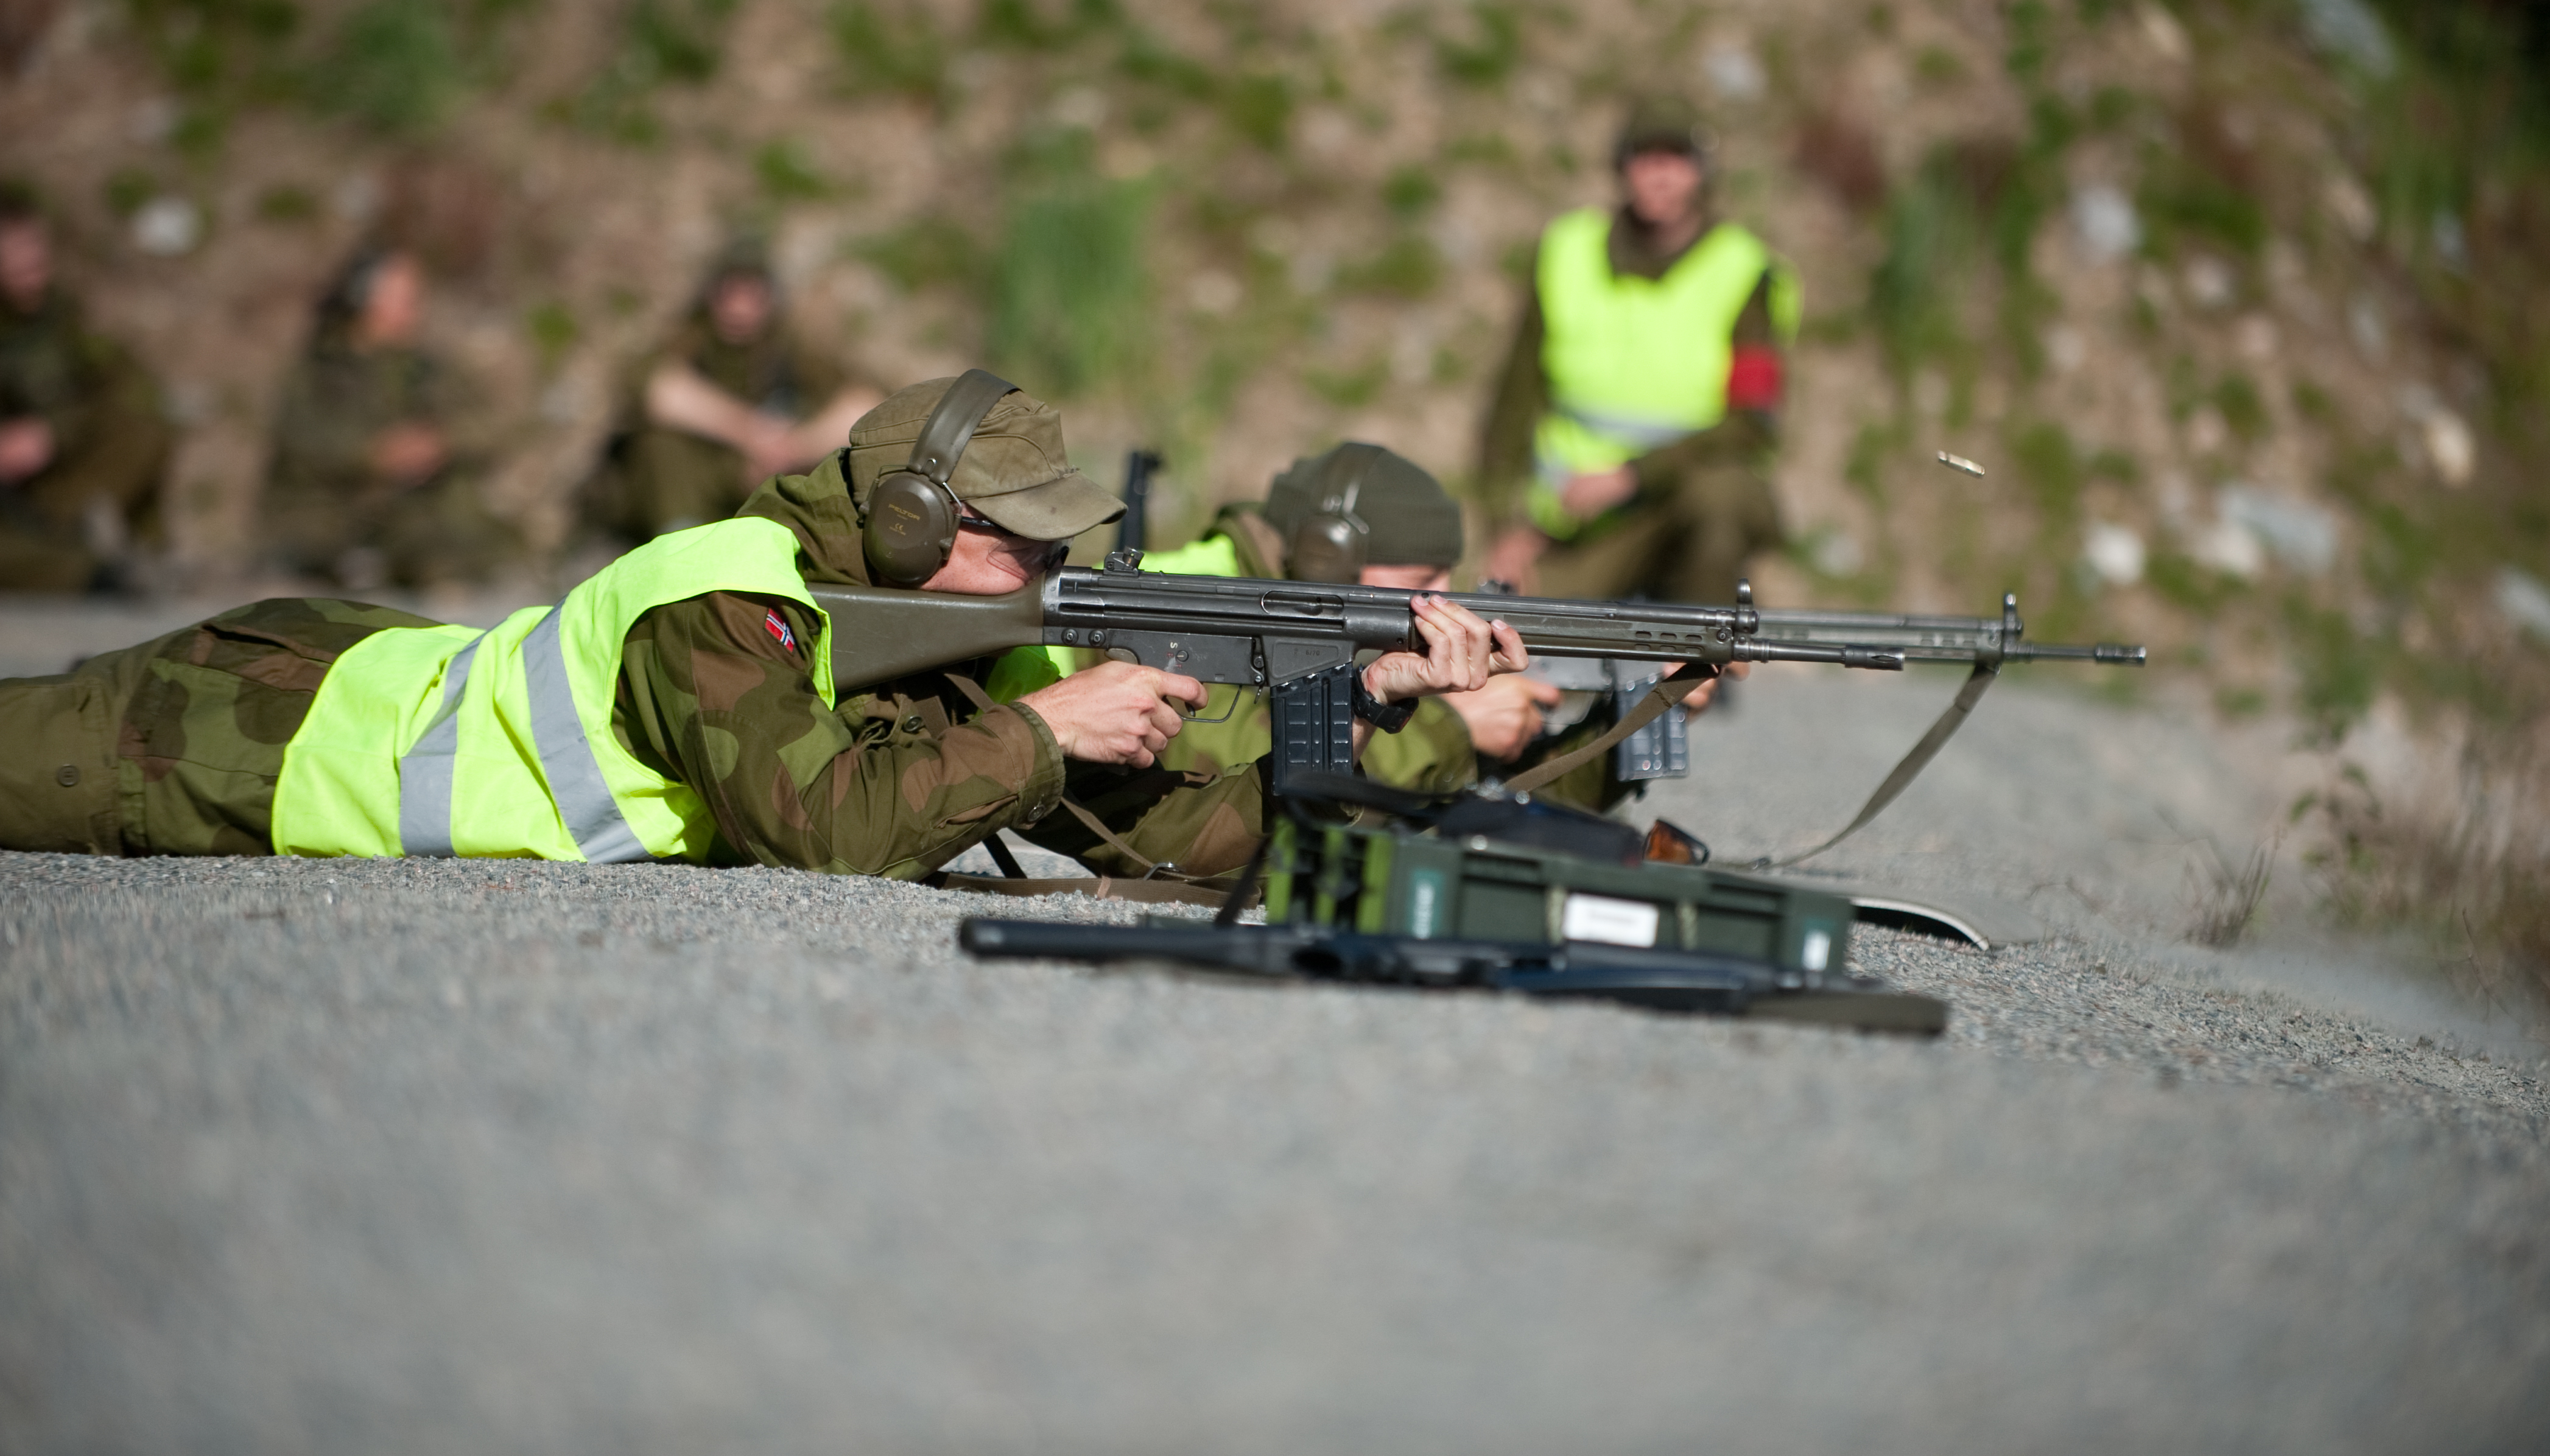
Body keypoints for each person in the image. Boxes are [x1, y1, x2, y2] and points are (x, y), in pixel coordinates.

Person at [0, 374, 1526, 882]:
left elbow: (1179, 843)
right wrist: (1042, 730)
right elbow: (835, 830)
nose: (1048, 577)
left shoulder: (957, 625)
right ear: (921, 528)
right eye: (1025, 546)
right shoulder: (719, 596)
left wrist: (1379, 698)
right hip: (238, 733)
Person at [989, 441, 1716, 813]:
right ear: (1328, 557)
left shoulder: (1301, 601)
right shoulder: (1198, 592)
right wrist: (1446, 725)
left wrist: (1640, 711)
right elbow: (1238, 769)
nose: (1443, 603)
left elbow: (1481, 816)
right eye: (1420, 585)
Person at [1480, 98, 1800, 604]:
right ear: (1621, 167)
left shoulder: (1742, 271)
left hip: (1682, 505)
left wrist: (1632, 476)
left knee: (1723, 500)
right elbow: (1515, 399)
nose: (1661, 177)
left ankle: (1703, 665)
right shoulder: (1568, 251)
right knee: (1499, 637)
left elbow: (1751, 423)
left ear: (1701, 172)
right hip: (1576, 520)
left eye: (1676, 160)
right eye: (1646, 158)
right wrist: (1503, 527)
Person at [265, 247, 521, 589]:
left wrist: (438, 443)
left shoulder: (424, 369)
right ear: (364, 300)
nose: (414, 310)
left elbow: (489, 427)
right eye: (402, 298)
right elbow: (302, 439)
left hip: (409, 516)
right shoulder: (322, 369)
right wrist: (374, 454)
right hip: (333, 515)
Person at [589, 244, 878, 542]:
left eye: (752, 294)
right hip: (701, 479)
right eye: (731, 293)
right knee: (659, 444)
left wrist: (794, 447)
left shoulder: (789, 349)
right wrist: (750, 433)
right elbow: (658, 390)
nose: (740, 306)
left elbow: (864, 403)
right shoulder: (693, 340)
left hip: (772, 475)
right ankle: (680, 546)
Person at [0, 184, 170, 593]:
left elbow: (118, 385)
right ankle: (86, 569)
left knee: (142, 421)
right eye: (17, 252)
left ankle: (133, 549)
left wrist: (52, 431)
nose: (33, 263)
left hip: (49, 484)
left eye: (37, 249)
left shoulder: (59, 319)